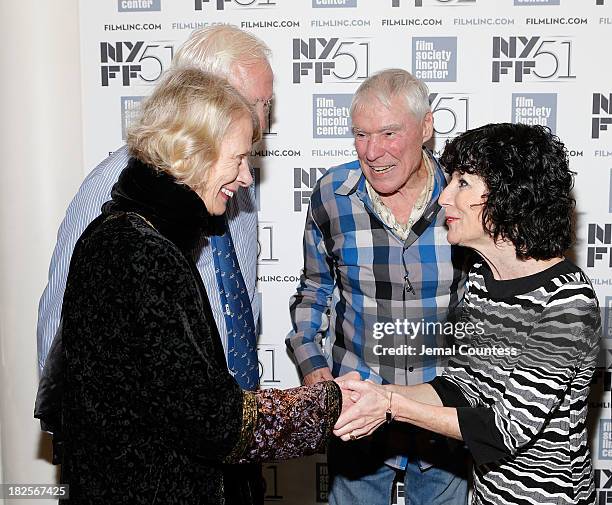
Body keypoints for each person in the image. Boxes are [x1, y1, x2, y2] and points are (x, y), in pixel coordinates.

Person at [47, 67, 344, 505]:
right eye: (238, 159)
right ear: (194, 153)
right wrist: (326, 404)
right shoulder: (140, 252)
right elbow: (212, 419)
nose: (246, 177)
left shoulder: (135, 232)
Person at [333, 123, 601, 505]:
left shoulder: (567, 303)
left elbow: (505, 430)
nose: (443, 198)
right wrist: (378, 393)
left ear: (509, 196)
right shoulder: (482, 277)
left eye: (462, 183)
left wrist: (392, 408)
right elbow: (460, 387)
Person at [36, 25, 273, 373]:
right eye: (251, 104)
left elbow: (239, 301)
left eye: (266, 105)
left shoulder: (236, 179)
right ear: (196, 99)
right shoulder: (114, 183)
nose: (261, 121)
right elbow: (61, 329)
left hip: (230, 409)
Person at [286, 69, 468, 505]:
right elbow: (314, 289)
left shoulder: (462, 197)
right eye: (361, 135)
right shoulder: (332, 193)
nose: (373, 151)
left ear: (427, 127)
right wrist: (315, 371)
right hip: (357, 410)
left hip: (441, 410)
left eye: (389, 132)